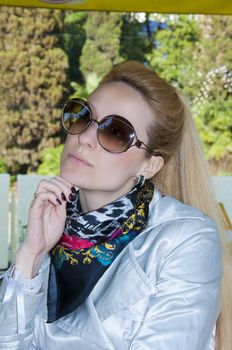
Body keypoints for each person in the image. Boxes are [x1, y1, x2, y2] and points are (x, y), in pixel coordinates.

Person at [0, 61, 230, 350]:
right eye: (83, 117)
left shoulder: (185, 240)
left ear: (151, 164)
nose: (84, 138)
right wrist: (30, 255)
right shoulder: (54, 227)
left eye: (115, 133)